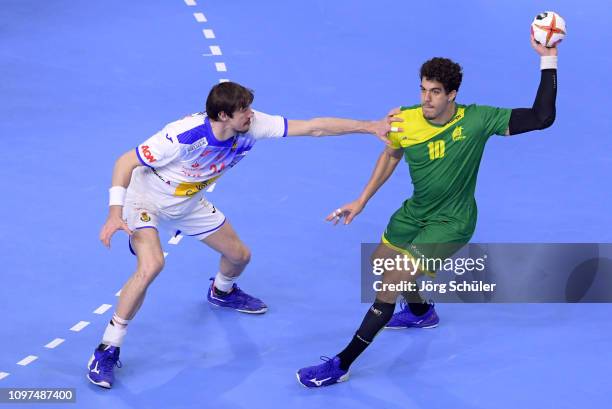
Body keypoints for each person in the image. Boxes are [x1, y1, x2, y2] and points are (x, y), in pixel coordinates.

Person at [87, 81, 398, 389]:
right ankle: (107, 349)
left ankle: (221, 292)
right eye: (243, 111)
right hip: (145, 199)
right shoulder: (182, 135)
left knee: (239, 256)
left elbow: (313, 127)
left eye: (249, 108)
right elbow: (125, 161)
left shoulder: (251, 125)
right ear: (223, 116)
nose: (251, 115)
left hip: (188, 203)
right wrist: (115, 213)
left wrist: (370, 126)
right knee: (152, 265)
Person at [297, 35, 560, 387]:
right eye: (423, 89)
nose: (426, 99)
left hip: (452, 221)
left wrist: (549, 58)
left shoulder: (478, 120)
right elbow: (390, 155)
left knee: (389, 283)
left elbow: (542, 117)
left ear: (452, 94)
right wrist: (361, 201)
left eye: (435, 91)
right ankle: (422, 311)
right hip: (415, 212)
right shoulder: (405, 120)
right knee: (380, 263)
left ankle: (341, 364)